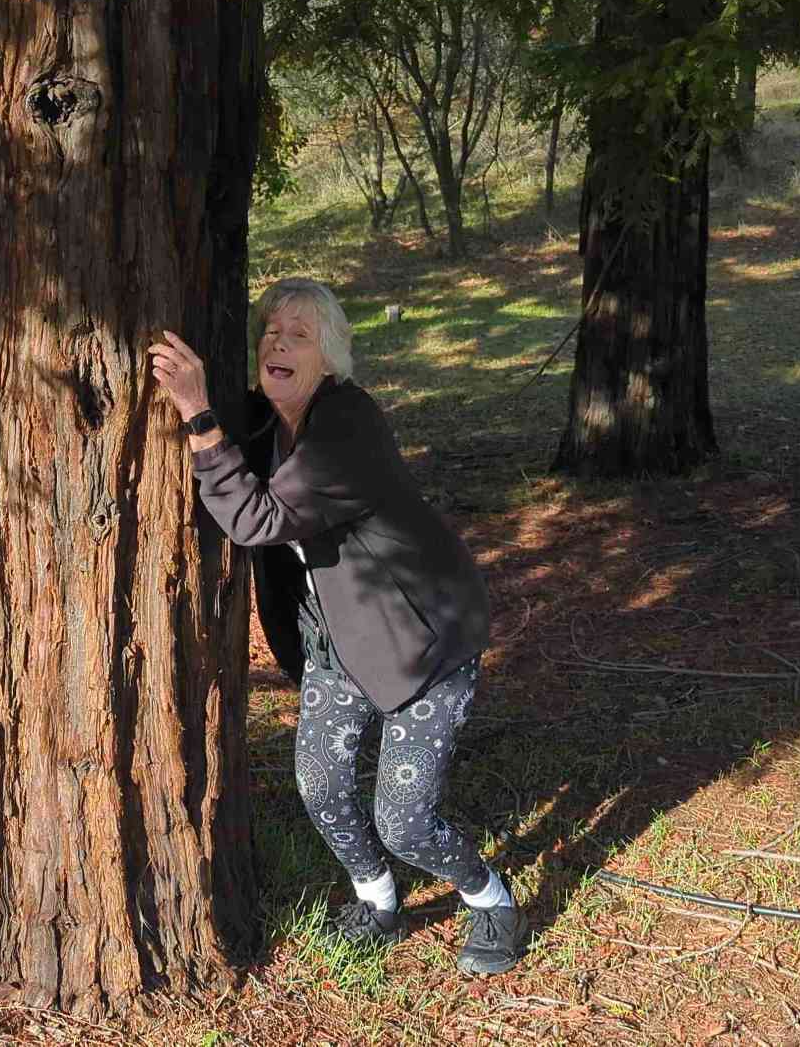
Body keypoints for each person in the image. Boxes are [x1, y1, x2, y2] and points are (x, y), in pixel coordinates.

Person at [148, 278, 527, 975]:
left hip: (421, 643)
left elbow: (256, 519)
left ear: (330, 358)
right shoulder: (267, 424)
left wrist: (197, 414)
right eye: (271, 330)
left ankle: (491, 899)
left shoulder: (346, 424)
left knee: (405, 821)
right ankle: (379, 901)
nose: (278, 341)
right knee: (321, 786)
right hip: (339, 642)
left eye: (299, 333)